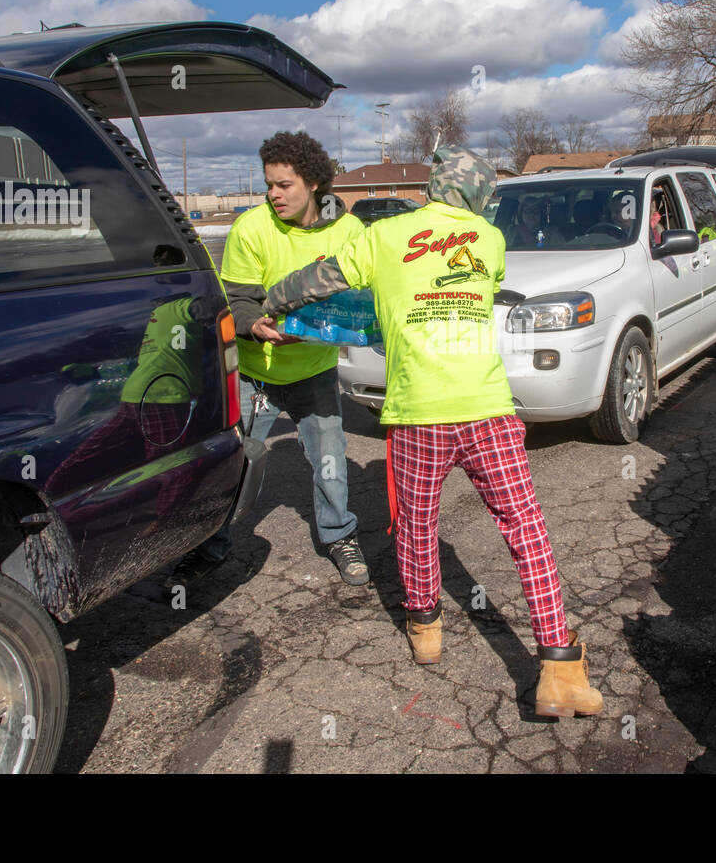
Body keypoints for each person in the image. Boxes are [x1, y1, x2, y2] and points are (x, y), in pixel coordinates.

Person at [254, 145, 603, 718]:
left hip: (418, 412)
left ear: (433, 187)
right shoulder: (489, 241)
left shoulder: (387, 234)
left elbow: (322, 279)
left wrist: (274, 300)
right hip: (487, 407)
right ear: (479, 196)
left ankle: (426, 628)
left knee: (417, 522)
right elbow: (478, 293)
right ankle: (560, 667)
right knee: (526, 529)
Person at [165, 131, 367, 593]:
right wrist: (256, 326)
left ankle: (340, 537)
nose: (274, 194)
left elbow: (362, 298)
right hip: (255, 374)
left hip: (314, 371)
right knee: (232, 462)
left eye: (284, 185)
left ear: (314, 183)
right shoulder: (251, 228)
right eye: (268, 185)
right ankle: (209, 544)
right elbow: (234, 300)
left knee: (331, 461)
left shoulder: (349, 231)